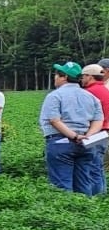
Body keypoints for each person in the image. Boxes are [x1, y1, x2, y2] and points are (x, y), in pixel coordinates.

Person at [39, 62, 104, 195]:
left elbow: (54, 120)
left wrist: (74, 136)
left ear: (64, 77)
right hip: (86, 143)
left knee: (62, 185)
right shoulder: (91, 96)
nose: (55, 77)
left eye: (57, 75)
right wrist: (88, 136)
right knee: (84, 183)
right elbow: (98, 120)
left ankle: (66, 206)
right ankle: (85, 207)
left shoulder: (55, 96)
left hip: (60, 142)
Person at [79, 63, 109, 194]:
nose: (81, 79)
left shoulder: (90, 92)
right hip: (103, 132)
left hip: (95, 132)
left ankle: (95, 196)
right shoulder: (104, 89)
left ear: (90, 77)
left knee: (92, 167)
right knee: (98, 167)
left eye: (83, 76)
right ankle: (102, 195)